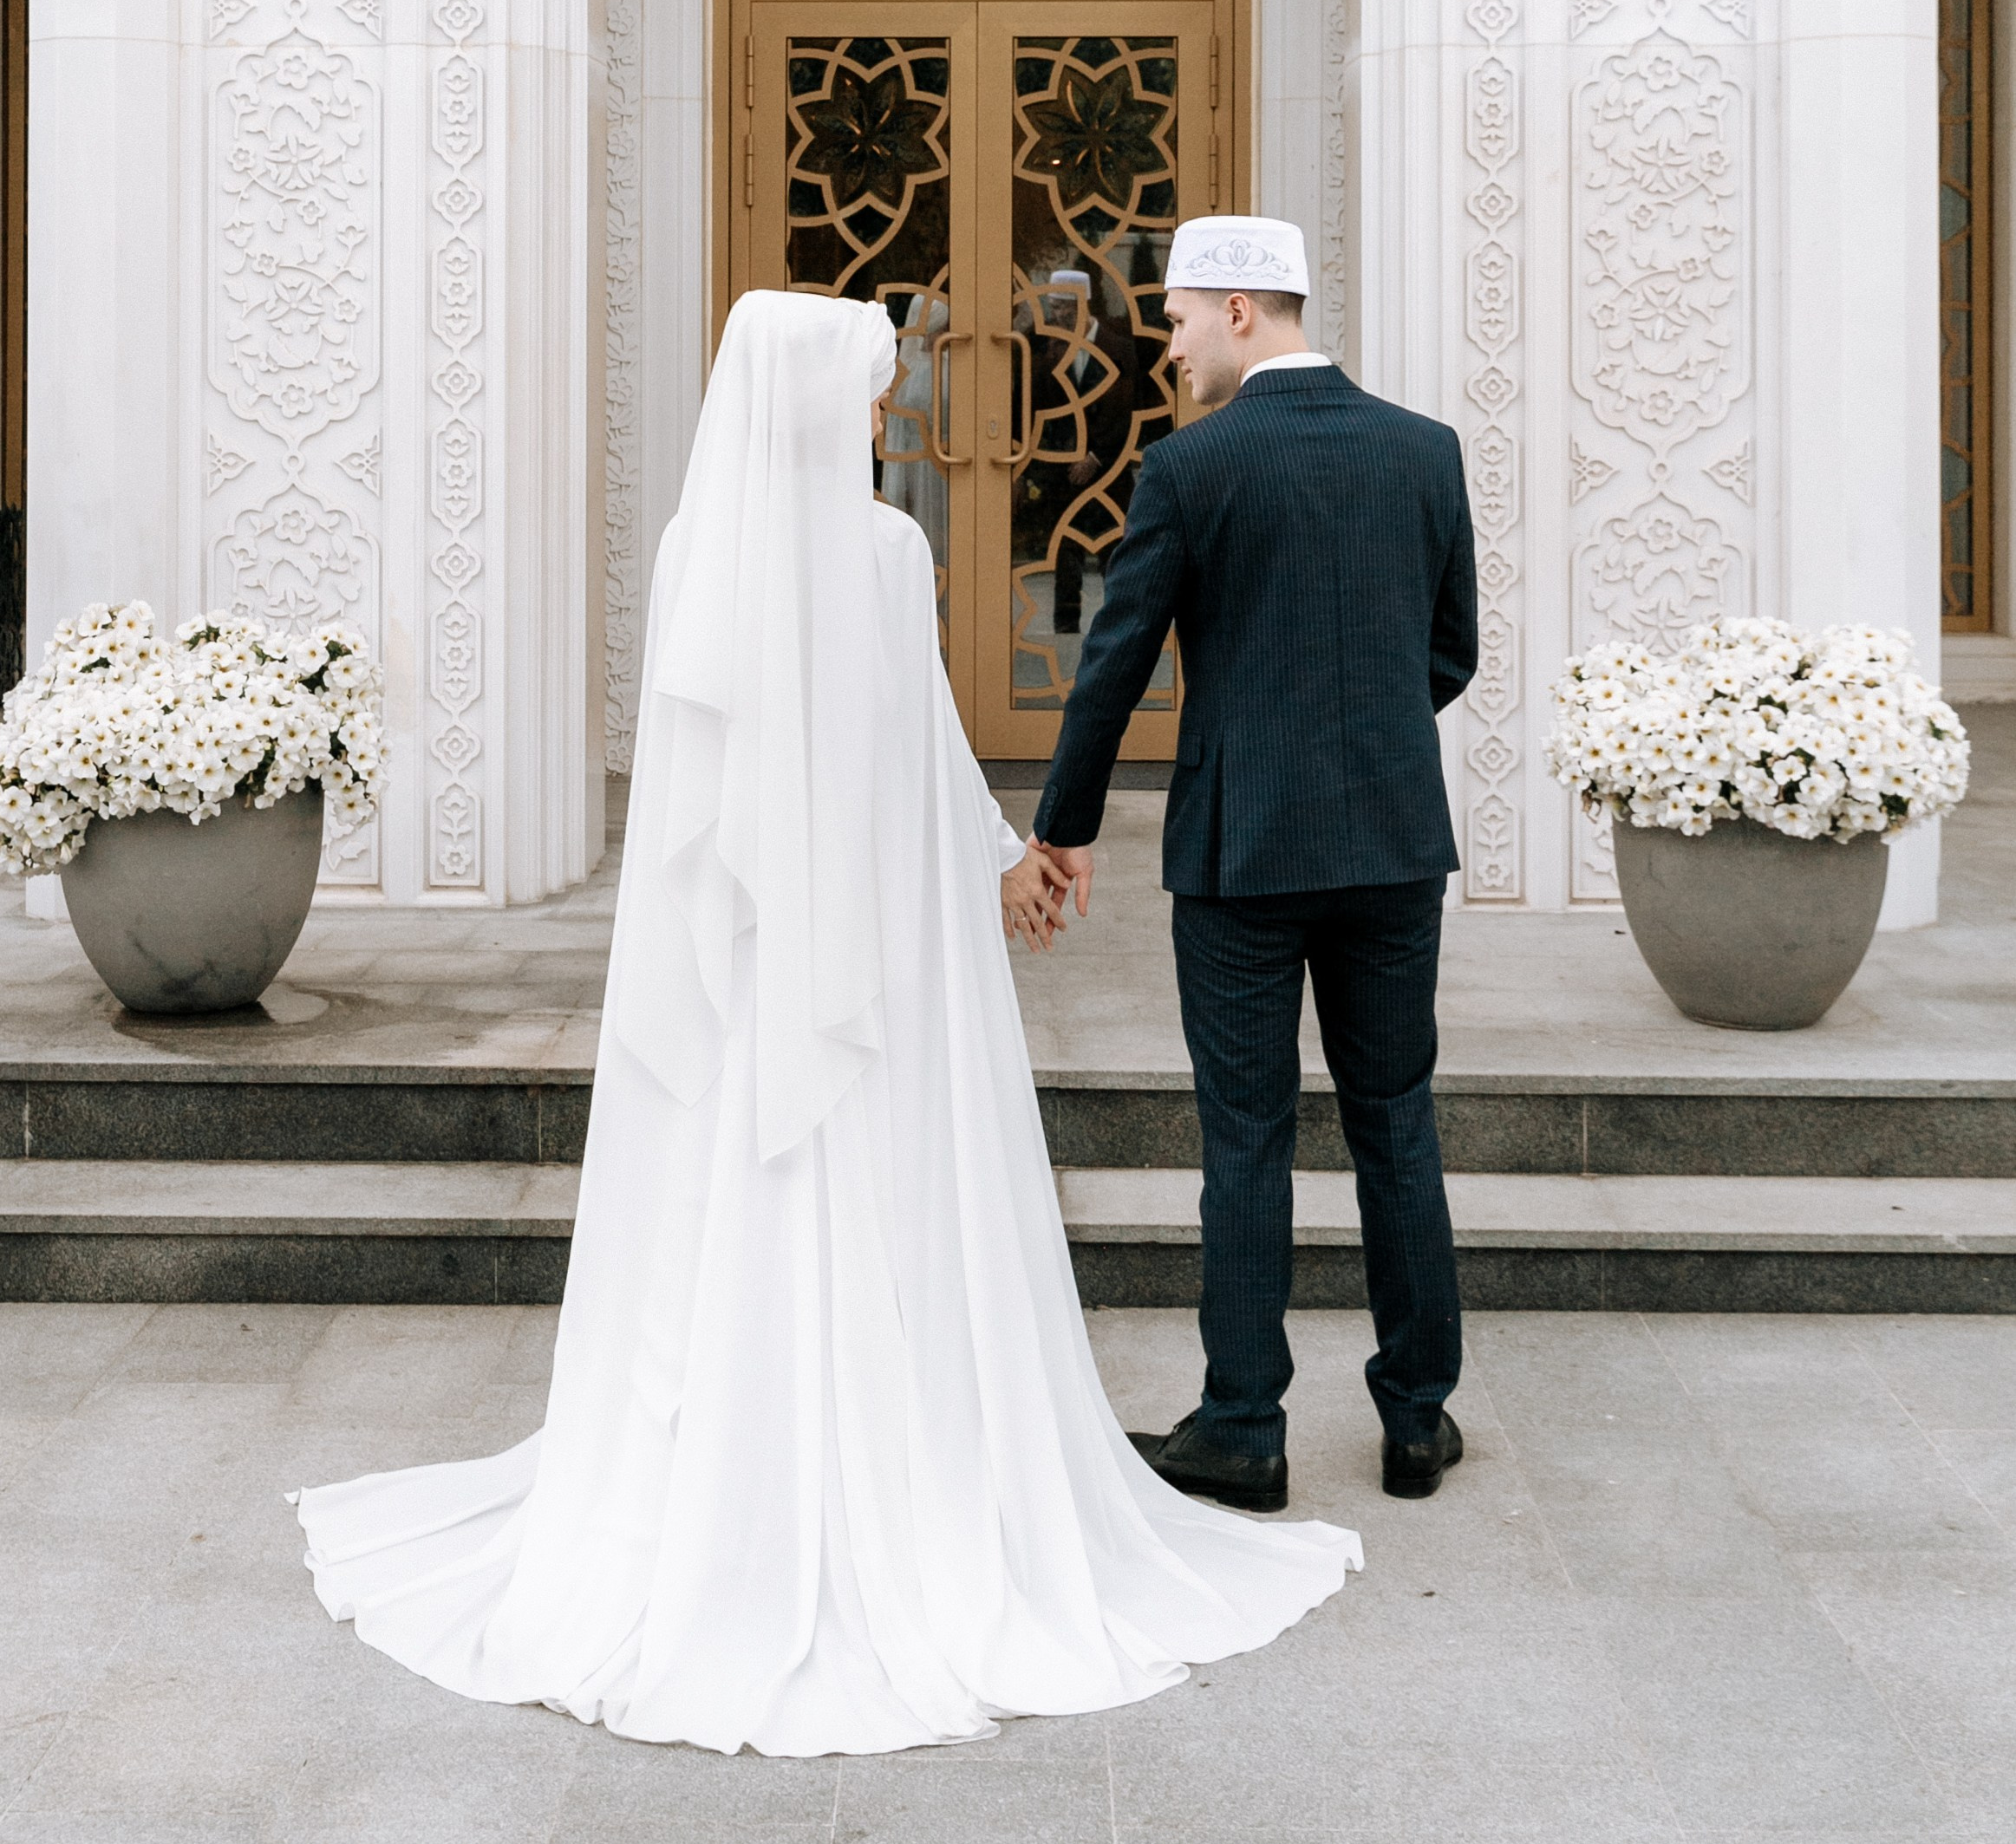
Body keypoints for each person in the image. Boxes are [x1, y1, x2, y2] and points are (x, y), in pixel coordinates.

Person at [292, 288, 1358, 1757]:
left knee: (739, 1174)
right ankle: (887, 1468)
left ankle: (727, 1478)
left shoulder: (697, 547)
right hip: (862, 944)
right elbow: (915, 747)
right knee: (877, 1173)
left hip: (742, 951)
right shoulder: (882, 548)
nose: (882, 409)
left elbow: (713, 780)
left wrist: (996, 855)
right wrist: (1006, 859)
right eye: (871, 386)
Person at [1031, 217, 1478, 1515]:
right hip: (1391, 843)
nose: (1167, 347)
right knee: (1396, 1119)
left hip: (1241, 851)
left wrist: (1063, 827)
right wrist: (1364, 743)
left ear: (1239, 310)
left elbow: (1114, 661)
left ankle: (1242, 1429)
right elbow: (1449, 649)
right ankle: (1416, 1418)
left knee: (1245, 1136)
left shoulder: (1192, 467)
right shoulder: (1424, 450)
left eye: (1175, 319)